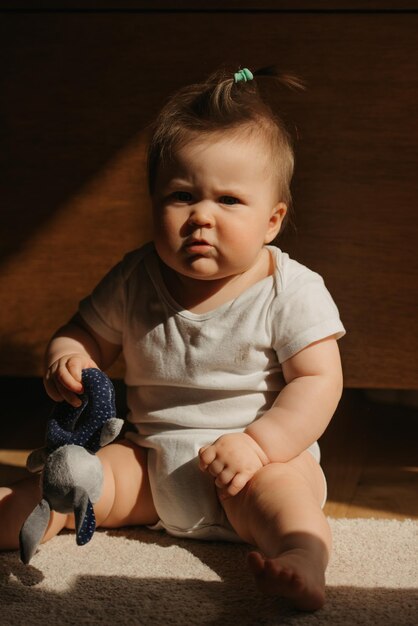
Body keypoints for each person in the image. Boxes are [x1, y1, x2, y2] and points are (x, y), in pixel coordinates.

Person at [0, 66, 345, 611]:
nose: (201, 218)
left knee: (289, 507)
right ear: (153, 203)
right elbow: (84, 333)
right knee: (81, 483)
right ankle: (16, 513)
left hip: (255, 467)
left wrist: (261, 444)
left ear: (273, 220)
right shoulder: (135, 278)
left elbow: (320, 380)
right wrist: (68, 357)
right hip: (152, 465)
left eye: (228, 201)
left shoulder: (290, 289)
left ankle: (301, 559)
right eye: (182, 196)